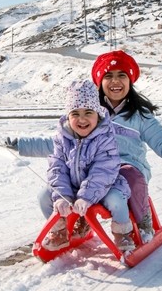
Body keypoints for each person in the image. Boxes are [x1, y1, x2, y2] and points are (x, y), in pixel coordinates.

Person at [9, 50, 162, 240]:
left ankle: (142, 218)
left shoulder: (140, 116)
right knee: (64, 182)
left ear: (130, 80)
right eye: (108, 76)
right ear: (99, 81)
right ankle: (76, 221)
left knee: (129, 174)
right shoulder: (88, 114)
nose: (115, 81)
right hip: (93, 170)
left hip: (127, 169)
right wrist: (22, 145)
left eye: (121, 75)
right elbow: (61, 144)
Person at [42, 80, 135, 253]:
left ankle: (122, 233)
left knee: (117, 200)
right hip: (73, 186)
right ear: (68, 117)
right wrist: (62, 195)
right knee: (44, 197)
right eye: (75, 113)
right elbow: (57, 168)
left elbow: (103, 171)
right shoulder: (62, 138)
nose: (82, 119)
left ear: (98, 115)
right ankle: (60, 231)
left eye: (88, 112)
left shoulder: (105, 138)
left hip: (105, 186)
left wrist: (86, 197)